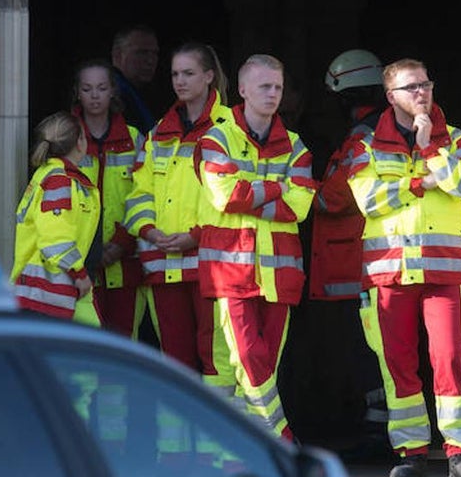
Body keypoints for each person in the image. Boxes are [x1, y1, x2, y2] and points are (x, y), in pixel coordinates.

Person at [347, 58, 461, 477]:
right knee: (398, 366)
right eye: (411, 87)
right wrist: (418, 183)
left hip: (445, 272)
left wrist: (429, 149)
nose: (421, 92)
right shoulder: (366, 146)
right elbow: (369, 200)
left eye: (425, 84)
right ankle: (411, 453)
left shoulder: (457, 139)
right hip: (389, 272)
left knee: (450, 360)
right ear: (391, 96)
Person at [196, 53, 317, 441]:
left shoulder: (296, 146)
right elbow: (226, 196)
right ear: (243, 89)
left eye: (278, 87)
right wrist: (278, 188)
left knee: (263, 366)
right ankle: (280, 439)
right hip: (232, 271)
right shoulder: (216, 138)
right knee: (249, 359)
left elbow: (300, 206)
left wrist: (253, 193)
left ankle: (242, 451)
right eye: (265, 86)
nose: (273, 94)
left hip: (280, 275)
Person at [125, 42, 231, 376]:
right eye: (174, 74)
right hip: (164, 264)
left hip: (210, 263)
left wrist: (196, 236)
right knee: (174, 361)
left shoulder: (230, 128)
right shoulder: (159, 133)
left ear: (209, 76)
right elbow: (139, 193)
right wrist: (149, 231)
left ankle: (216, 414)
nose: (180, 81)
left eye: (188, 73)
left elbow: (234, 198)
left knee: (217, 360)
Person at [308, 49, 390, 451]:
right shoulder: (375, 131)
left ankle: (379, 424)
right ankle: (378, 419)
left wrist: (294, 190)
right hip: (357, 260)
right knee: (366, 343)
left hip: (356, 260)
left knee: (365, 344)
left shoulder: (364, 137)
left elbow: (336, 198)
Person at [71, 60, 145, 338]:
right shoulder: (67, 140)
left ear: (113, 91)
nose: (94, 95)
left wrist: (121, 243)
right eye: (87, 89)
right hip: (80, 264)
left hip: (125, 262)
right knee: (84, 343)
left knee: (123, 344)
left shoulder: (135, 139)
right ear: (77, 92)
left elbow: (144, 196)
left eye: (101, 88)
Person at [10, 111, 101, 326]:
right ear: (79, 142)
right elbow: (55, 239)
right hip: (48, 294)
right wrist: (79, 274)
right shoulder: (58, 181)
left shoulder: (50, 175)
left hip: (53, 292)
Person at [111, 24, 162, 134]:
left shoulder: (145, 92)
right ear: (118, 55)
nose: (150, 60)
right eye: (141, 53)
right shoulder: (110, 94)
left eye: (155, 54)